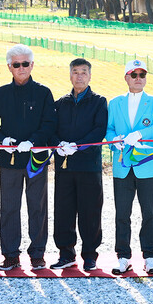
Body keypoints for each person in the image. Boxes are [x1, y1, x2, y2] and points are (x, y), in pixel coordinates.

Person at [0, 44, 57, 271]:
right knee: (9, 207)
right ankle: (10, 255)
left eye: (25, 63)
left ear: (32, 65)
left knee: (37, 206)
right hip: (10, 160)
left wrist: (34, 141)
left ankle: (37, 253)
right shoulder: (0, 94)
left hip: (36, 159)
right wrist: (2, 140)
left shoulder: (44, 93)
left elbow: (49, 124)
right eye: (16, 64)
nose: (21, 68)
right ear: (9, 67)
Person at [106, 59, 153, 276]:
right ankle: (123, 256)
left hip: (147, 165)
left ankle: (150, 256)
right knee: (122, 213)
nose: (138, 79)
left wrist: (140, 134)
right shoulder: (114, 103)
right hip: (122, 166)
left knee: (149, 212)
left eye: (142, 75)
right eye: (134, 75)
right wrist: (116, 140)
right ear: (126, 78)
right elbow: (109, 129)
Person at [50, 58, 107, 271]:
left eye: (84, 72)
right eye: (75, 72)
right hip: (64, 166)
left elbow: (99, 130)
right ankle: (66, 253)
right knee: (63, 211)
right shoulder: (60, 103)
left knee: (90, 211)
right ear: (70, 75)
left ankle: (90, 255)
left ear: (90, 76)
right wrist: (58, 144)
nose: (79, 76)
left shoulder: (99, 101)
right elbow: (51, 130)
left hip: (88, 165)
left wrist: (79, 145)